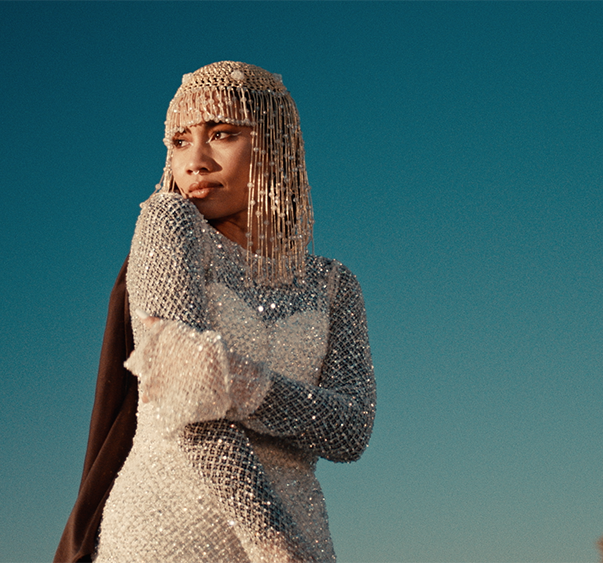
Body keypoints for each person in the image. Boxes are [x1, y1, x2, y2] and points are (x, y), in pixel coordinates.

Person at [55, 61, 376, 563]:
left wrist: (241, 385)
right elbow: (188, 406)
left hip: (304, 530)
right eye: (180, 141)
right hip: (170, 532)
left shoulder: (335, 284)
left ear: (275, 143)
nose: (195, 161)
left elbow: (351, 429)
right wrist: (274, 541)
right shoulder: (169, 223)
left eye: (222, 134)